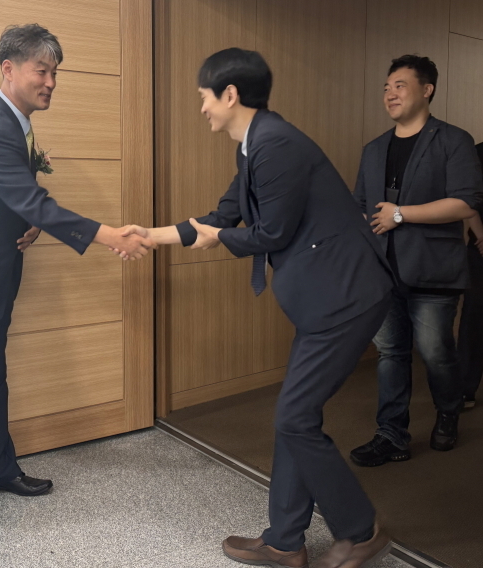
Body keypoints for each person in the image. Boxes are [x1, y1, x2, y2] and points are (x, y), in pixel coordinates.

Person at [117, 48, 394, 568]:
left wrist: (221, 237)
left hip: (346, 297)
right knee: (296, 414)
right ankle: (286, 541)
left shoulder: (276, 145)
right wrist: (149, 236)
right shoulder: (253, 145)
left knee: (293, 417)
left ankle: (360, 529)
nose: (201, 108)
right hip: (324, 299)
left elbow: (271, 233)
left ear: (230, 94)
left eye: (204, 97)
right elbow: (222, 215)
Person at [0, 24, 154, 531]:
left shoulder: (16, 125)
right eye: (41, 70)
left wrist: (28, 224)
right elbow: (32, 199)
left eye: (55, 73)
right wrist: (109, 234)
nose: (51, 81)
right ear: (9, 69)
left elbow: (14, 200)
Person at [351, 56, 483, 467]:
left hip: (433, 269)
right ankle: (391, 435)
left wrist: (401, 213)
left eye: (400, 85)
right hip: (383, 272)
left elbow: (466, 201)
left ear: (427, 90)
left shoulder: (453, 140)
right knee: (391, 353)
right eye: (387, 87)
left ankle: (448, 409)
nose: (390, 93)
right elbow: (360, 206)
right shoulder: (373, 149)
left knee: (435, 351)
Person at [457, 142, 483, 409]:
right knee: (475, 314)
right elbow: (468, 198)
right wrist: (481, 234)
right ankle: (465, 387)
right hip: (480, 246)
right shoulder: (476, 152)